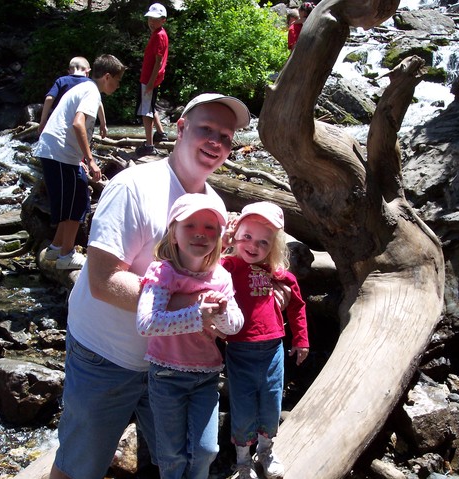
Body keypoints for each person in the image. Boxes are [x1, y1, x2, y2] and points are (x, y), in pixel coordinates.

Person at [47, 92, 251, 479]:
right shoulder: (133, 187)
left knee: (177, 463)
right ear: (180, 128)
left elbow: (212, 279)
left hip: (176, 368)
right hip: (107, 356)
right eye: (206, 129)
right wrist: (191, 309)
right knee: (79, 466)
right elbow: (104, 281)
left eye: (226, 136)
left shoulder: (214, 207)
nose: (216, 142)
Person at [136, 193, 244, 479]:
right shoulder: (162, 272)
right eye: (190, 226)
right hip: (166, 375)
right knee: (171, 454)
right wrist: (199, 315)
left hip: (207, 375)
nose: (200, 233)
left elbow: (234, 325)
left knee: (207, 449)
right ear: (173, 233)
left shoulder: (220, 276)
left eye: (210, 227)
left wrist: (220, 311)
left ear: (219, 235)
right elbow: (146, 323)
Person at [222, 201, 310, 479]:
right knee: (243, 406)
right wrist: (221, 238)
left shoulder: (275, 273)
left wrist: (302, 339)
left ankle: (267, 450)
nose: (253, 245)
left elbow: (297, 304)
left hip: (273, 350)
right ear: (236, 234)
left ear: (273, 246)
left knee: (271, 404)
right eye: (246, 236)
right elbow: (202, 266)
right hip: (238, 350)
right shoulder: (227, 266)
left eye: (263, 241)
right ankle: (243, 459)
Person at [35, 54, 126, 271]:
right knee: (76, 204)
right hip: (59, 153)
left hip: (60, 153)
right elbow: (78, 124)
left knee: (76, 199)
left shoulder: (85, 88)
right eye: (118, 80)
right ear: (107, 77)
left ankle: (56, 248)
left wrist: (80, 160)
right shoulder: (91, 92)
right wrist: (92, 161)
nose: (118, 85)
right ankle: (67, 255)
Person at [38, 56, 107, 138]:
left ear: (69, 71)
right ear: (88, 71)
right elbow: (98, 103)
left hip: (60, 126)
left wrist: (43, 121)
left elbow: (49, 98)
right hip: (80, 127)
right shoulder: (90, 84)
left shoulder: (61, 81)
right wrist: (103, 124)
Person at [135, 2, 169, 158]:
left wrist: (150, 83)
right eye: (150, 18)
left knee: (145, 112)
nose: (151, 22)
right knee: (149, 106)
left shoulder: (160, 35)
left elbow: (158, 61)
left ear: (163, 20)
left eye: (155, 19)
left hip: (149, 79)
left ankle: (149, 145)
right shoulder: (158, 33)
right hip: (150, 78)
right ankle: (161, 133)